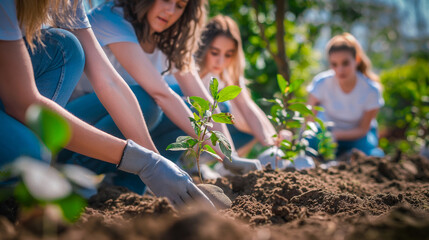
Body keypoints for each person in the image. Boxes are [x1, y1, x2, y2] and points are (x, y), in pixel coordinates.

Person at [0, 0, 214, 209]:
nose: (171, 10)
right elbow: (22, 101)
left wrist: (154, 161)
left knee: (67, 47)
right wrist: (143, 162)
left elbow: (109, 81)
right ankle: (57, 171)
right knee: (25, 157)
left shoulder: (68, 4)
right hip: (22, 101)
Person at [66, 0, 261, 182]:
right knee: (146, 102)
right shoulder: (111, 17)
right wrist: (159, 166)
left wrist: (229, 155)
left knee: (193, 106)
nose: (170, 11)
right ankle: (78, 171)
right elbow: (162, 94)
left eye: (180, 5)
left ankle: (129, 185)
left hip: (118, 125)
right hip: (70, 128)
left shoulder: (171, 39)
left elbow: (201, 98)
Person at [306, 32, 385, 158]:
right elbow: (309, 120)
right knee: (309, 149)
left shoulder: (371, 90)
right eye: (334, 64)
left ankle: (345, 157)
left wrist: (335, 135)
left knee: (372, 157)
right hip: (324, 134)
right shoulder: (321, 83)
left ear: (357, 60)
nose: (340, 70)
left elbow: (363, 129)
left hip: (358, 138)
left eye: (345, 63)